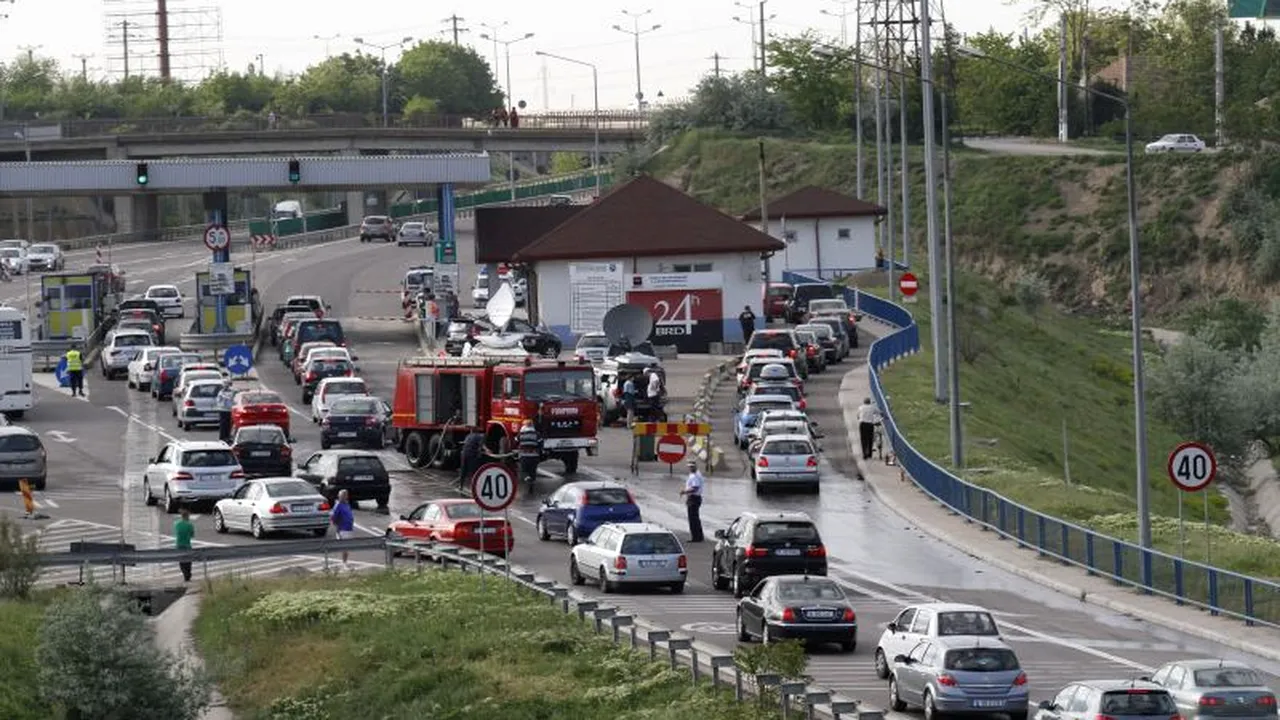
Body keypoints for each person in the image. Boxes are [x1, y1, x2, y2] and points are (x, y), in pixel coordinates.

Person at [678, 460, 705, 542]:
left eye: (692, 466)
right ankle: (699, 536)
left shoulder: (694, 476)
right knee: (696, 518)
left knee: (693, 519)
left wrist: (684, 492)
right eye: (690, 466)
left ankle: (696, 537)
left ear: (695, 466)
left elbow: (695, 488)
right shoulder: (697, 474)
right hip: (696, 498)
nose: (690, 468)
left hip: (693, 498)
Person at [330, 489, 355, 570]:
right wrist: (337, 526)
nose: (344, 497)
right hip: (342, 529)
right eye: (342, 495)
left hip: (349, 528)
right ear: (339, 496)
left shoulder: (347, 504)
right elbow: (333, 517)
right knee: (345, 547)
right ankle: (344, 563)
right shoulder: (338, 505)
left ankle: (345, 562)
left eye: (345, 495)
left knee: (347, 547)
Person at [516, 418, 541, 485]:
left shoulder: (521, 434)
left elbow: (516, 441)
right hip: (534, 456)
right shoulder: (537, 434)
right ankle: (532, 484)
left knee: (524, 471)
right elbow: (540, 443)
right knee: (532, 471)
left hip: (524, 456)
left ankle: (527, 479)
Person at [174, 508, 195, 583]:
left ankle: (185, 574)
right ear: (187, 516)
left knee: (181, 562)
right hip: (187, 545)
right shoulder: (190, 525)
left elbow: (176, 533)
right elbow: (192, 535)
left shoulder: (177, 524)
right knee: (188, 562)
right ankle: (188, 575)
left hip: (179, 545)